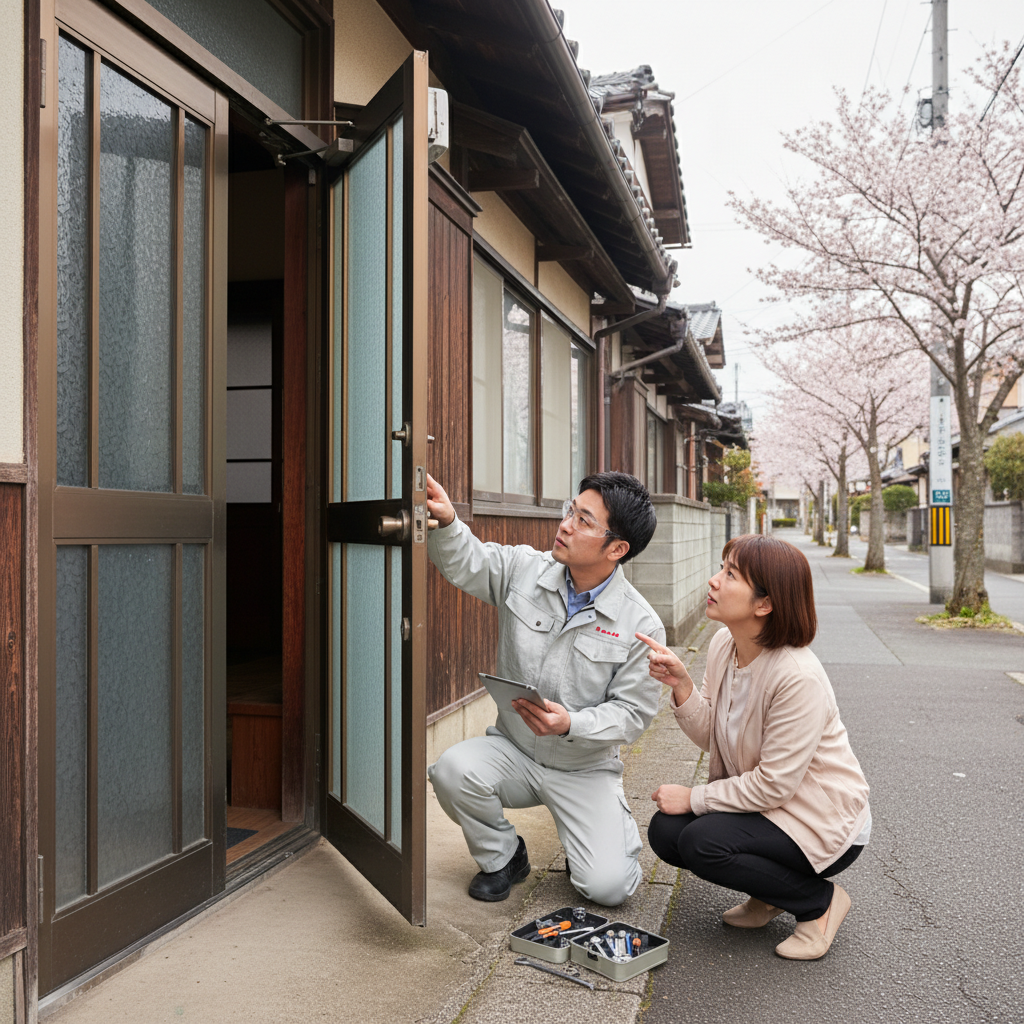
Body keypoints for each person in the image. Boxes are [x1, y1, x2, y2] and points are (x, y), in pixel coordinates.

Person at [425, 471, 664, 906]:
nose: (566, 524)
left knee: (608, 888)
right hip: (514, 751)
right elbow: (469, 561)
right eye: (570, 511)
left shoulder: (641, 625)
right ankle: (504, 857)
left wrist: (571, 722)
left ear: (617, 548)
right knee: (451, 770)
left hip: (584, 768)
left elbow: (632, 714)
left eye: (584, 520)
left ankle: (595, 841)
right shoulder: (525, 569)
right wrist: (447, 522)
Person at [637, 534, 870, 960]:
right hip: (771, 808)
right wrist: (683, 686)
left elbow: (775, 786)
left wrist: (694, 796)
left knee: (702, 841)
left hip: (818, 819)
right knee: (666, 832)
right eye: (721, 568)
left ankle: (819, 904)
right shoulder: (725, 645)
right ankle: (768, 895)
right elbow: (715, 739)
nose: (714, 581)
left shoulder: (797, 676)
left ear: (764, 604)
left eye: (730, 574)